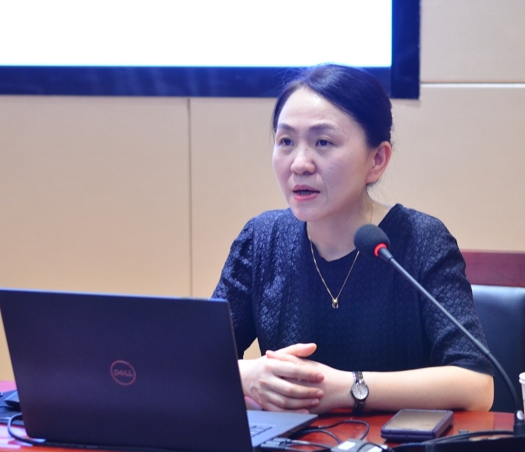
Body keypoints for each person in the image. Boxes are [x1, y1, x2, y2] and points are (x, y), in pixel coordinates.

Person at [212, 63, 494, 414]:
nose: (299, 163)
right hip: (288, 448)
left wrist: (348, 388)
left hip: (389, 447)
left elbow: (476, 384)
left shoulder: (420, 241)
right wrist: (248, 374)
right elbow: (194, 360)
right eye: (286, 141)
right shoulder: (261, 240)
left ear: (377, 160)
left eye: (323, 142)